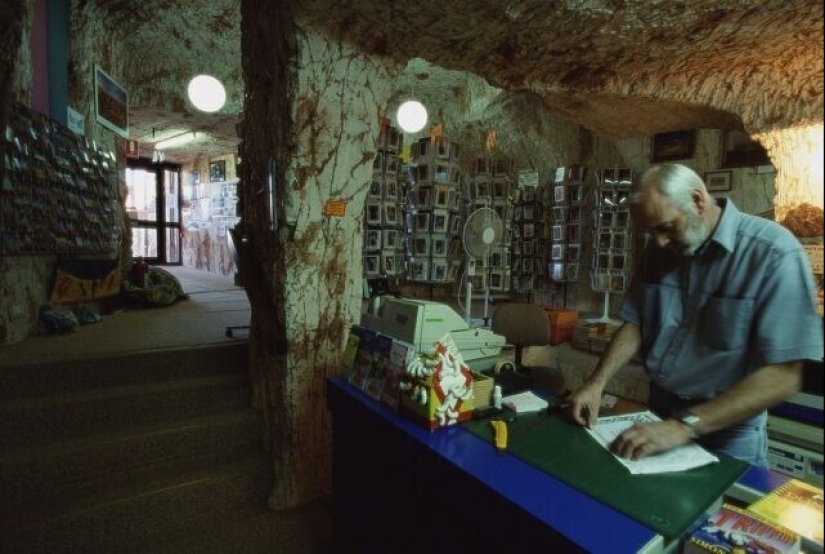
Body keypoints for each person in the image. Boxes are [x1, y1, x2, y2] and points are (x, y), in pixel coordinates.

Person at [567, 163, 823, 466]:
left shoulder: (773, 252)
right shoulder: (661, 248)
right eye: (652, 231)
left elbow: (786, 375)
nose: (659, 242)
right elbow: (636, 322)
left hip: (729, 430)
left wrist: (683, 426)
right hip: (661, 414)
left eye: (665, 227)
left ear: (698, 201)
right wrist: (596, 383)